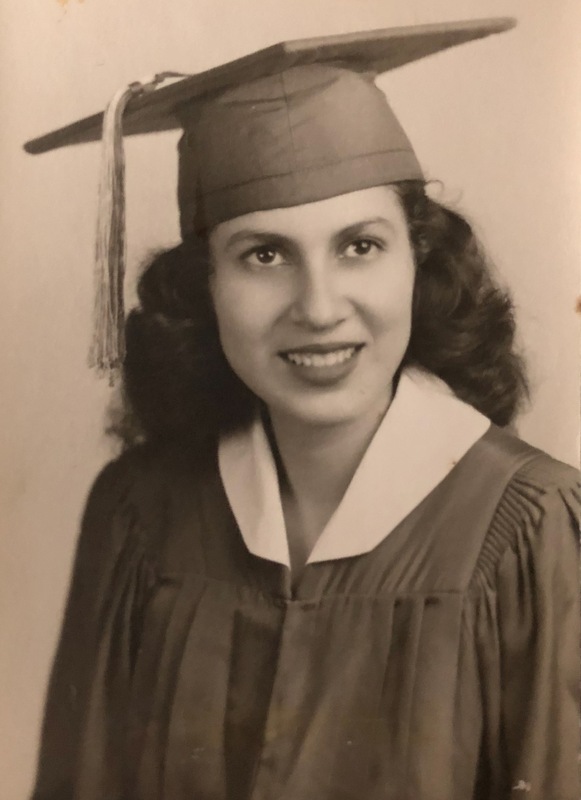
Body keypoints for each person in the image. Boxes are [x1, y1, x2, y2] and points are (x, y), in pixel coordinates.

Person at [27, 18, 580, 800]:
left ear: (417, 265)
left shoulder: (532, 527)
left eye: (359, 245)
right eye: (264, 254)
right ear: (204, 289)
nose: (318, 309)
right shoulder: (137, 515)